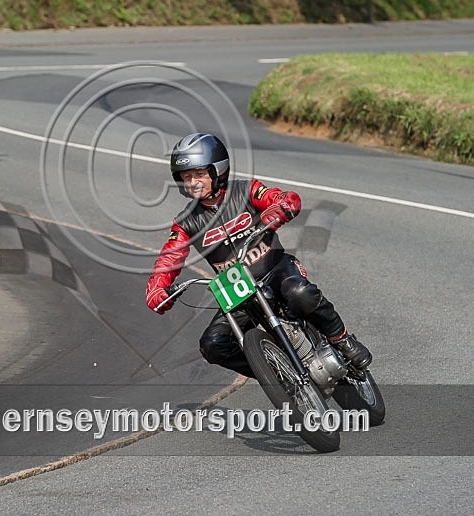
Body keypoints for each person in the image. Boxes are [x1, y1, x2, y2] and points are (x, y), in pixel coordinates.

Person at [145, 132, 372, 378]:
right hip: (235, 289)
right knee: (212, 344)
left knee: (300, 293)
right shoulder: (185, 222)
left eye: (199, 174)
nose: (193, 182)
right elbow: (169, 257)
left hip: (276, 269)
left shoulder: (247, 189)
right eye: (186, 177)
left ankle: (342, 340)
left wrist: (281, 207)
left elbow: (283, 198)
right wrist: (157, 287)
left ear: (218, 170)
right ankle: (278, 375)